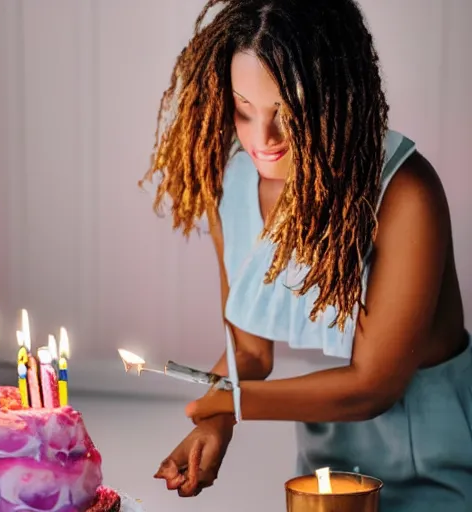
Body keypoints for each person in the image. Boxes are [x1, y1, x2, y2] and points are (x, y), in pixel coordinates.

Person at [141, 0, 472, 510]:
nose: (261, 139)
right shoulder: (232, 186)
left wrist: (230, 404)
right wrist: (216, 421)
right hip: (327, 452)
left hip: (432, 452)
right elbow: (249, 353)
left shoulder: (405, 193)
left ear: (336, 96)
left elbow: (373, 386)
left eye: (286, 113)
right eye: (242, 109)